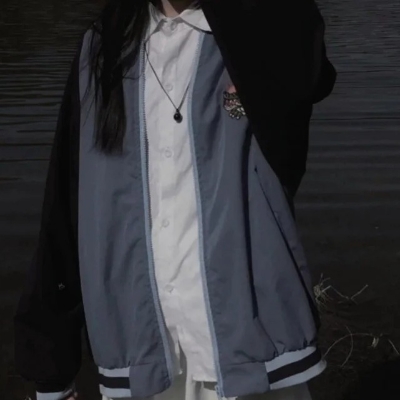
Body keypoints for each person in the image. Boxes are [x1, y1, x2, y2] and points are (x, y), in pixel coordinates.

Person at [14, 1, 336, 400]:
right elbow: (66, 203)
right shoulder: (100, 47)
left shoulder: (264, 35)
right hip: (138, 349)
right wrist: (50, 365)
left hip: (255, 350)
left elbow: (312, 75)